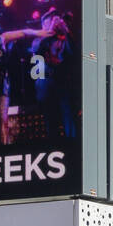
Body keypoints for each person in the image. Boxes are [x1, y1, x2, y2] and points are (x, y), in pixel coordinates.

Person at [0, 10, 57, 146]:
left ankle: (3, 151)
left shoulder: (2, 38)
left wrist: (38, 32)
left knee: (3, 121)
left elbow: (23, 32)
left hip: (2, 84)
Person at [31, 10, 77, 140]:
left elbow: (73, 52)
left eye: (55, 20)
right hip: (45, 85)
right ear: (44, 25)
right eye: (50, 21)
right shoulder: (38, 40)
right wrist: (50, 31)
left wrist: (66, 31)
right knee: (51, 123)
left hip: (63, 83)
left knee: (69, 119)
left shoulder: (63, 38)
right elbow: (37, 52)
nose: (54, 23)